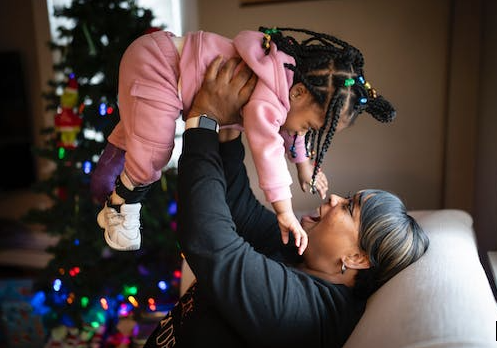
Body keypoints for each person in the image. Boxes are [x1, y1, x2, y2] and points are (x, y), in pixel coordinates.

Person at [142, 56, 429, 347]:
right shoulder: (300, 254)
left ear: (357, 258)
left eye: (348, 207)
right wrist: (228, 131)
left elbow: (209, 242)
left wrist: (204, 120)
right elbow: (242, 211)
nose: (333, 198)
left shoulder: (308, 310)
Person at [90, 26, 396, 253]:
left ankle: (107, 173)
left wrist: (304, 165)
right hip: (160, 66)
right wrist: (284, 210)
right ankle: (121, 207)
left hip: (156, 54)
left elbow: (292, 130)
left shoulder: (286, 81)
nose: (304, 133)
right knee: (155, 152)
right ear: (299, 93)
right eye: (309, 125)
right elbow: (268, 148)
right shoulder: (269, 97)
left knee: (139, 132)